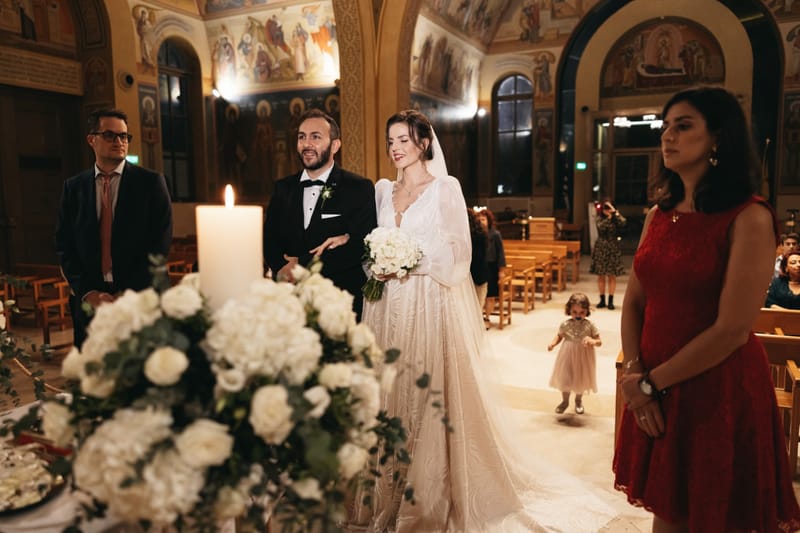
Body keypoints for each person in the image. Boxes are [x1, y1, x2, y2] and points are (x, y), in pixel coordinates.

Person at [349, 109, 614, 532]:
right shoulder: (383, 191)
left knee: (427, 388)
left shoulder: (445, 189)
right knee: (390, 389)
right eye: (391, 141)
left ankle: (430, 491)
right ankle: (387, 489)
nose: (395, 149)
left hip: (428, 302)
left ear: (423, 143)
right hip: (387, 308)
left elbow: (459, 257)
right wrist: (376, 263)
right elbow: (369, 247)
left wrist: (410, 263)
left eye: (403, 140)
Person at [614, 86, 800, 532]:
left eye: (684, 126)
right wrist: (634, 373)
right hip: (654, 381)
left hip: (714, 387)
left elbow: (732, 329)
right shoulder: (659, 214)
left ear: (718, 138)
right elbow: (635, 299)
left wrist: (650, 385)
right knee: (668, 509)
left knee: (713, 515)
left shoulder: (749, 216)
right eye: (665, 127)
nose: (667, 137)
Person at [55, 109, 173, 348]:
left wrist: (126, 294)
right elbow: (64, 245)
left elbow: (159, 245)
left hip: (140, 299)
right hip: (91, 303)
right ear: (92, 139)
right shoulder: (74, 187)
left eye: (124, 136)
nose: (119, 142)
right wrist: (88, 292)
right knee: (93, 376)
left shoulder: (151, 183)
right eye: (110, 135)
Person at [263, 108, 376, 320]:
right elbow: (269, 238)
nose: (307, 144)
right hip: (290, 300)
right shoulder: (282, 188)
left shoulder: (358, 188)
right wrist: (281, 267)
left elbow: (360, 245)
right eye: (301, 137)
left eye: (316, 137)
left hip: (340, 301)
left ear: (335, 145)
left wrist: (301, 264)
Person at [547, 292, 601, 415]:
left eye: (582, 312)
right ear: (569, 310)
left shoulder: (590, 325)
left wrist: (592, 341)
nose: (578, 315)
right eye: (574, 312)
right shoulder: (565, 324)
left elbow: (599, 341)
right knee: (565, 377)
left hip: (583, 356)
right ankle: (565, 401)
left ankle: (578, 400)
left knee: (580, 378)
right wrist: (553, 344)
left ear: (587, 311)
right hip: (567, 353)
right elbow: (560, 336)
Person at [590, 200, 625, 309]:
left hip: (613, 248)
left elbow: (623, 223)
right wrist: (609, 218)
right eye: (606, 208)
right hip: (601, 248)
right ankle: (602, 300)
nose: (607, 210)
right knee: (601, 275)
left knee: (612, 275)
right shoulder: (600, 218)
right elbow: (600, 227)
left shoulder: (616, 218)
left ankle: (611, 300)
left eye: (609, 208)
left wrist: (615, 213)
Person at [476, 207, 506, 326]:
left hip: (492, 267)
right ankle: (479, 318)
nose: (480, 221)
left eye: (483, 219)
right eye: (479, 219)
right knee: (479, 294)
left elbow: (500, 253)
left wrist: (501, 271)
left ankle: (487, 318)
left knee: (490, 296)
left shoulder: (495, 234)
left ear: (488, 220)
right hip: (479, 267)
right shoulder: (476, 234)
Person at [467, 208, 489, 326]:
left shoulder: (475, 236)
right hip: (477, 276)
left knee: (472, 313)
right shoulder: (480, 234)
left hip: (474, 277)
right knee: (476, 312)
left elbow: (477, 258)